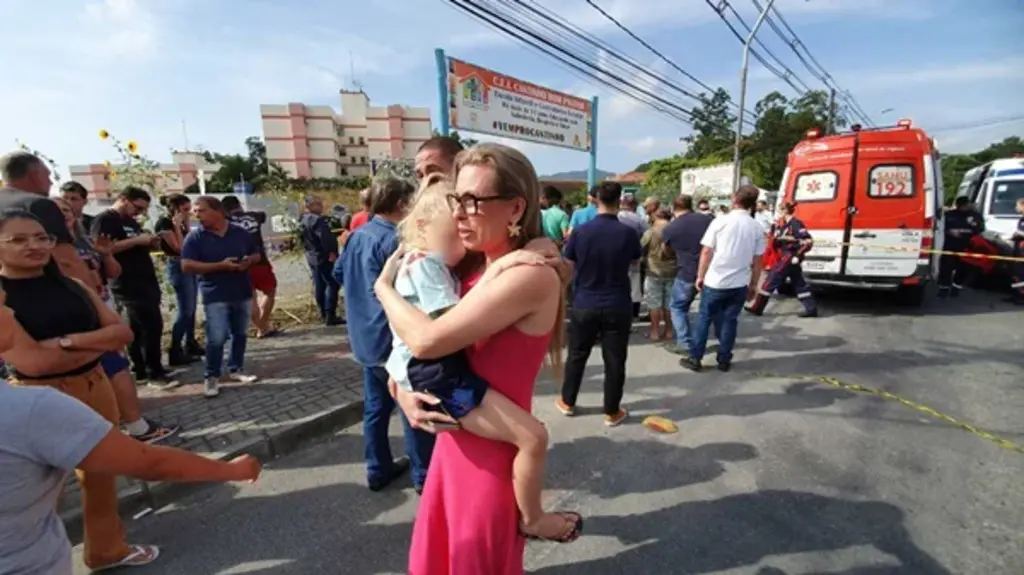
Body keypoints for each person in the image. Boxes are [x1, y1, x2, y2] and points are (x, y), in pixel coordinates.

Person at [376, 143, 570, 574]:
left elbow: (426, 341)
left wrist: (383, 290)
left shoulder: (528, 275)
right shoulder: (474, 268)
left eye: (473, 201)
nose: (459, 213)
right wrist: (403, 393)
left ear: (516, 207)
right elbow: (409, 348)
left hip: (489, 462)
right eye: (455, 199)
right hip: (455, 445)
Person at [0, 278, 262, 574]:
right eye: (1, 304)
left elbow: (119, 333)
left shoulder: (71, 284)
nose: (11, 310)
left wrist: (71, 346)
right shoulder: (29, 409)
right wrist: (232, 470)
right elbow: (149, 462)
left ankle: (106, 549)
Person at [335, 177, 436, 493]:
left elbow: (339, 274)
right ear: (402, 204)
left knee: (376, 409)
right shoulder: (397, 240)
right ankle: (424, 477)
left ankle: (377, 468)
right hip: (392, 337)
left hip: (364, 336)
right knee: (411, 410)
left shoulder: (356, 236)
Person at [54, 198, 180, 443]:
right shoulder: (50, 249)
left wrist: (105, 255)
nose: (64, 215)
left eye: (67, 210)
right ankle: (131, 428)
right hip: (78, 318)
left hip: (103, 307)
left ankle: (124, 424)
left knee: (116, 366)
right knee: (111, 367)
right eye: (57, 211)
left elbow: (112, 272)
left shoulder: (86, 242)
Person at [558, 181, 639, 427]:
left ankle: (567, 402)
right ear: (620, 200)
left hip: (585, 301)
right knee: (615, 359)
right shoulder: (628, 232)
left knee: (577, 354)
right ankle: (611, 411)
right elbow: (635, 262)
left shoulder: (581, 232)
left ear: (595, 199)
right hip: (618, 302)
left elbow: (568, 267)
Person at [90, 187, 177, 387]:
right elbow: (103, 248)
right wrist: (137, 240)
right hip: (127, 281)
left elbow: (132, 245)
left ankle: (149, 368)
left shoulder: (130, 222)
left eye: (143, 209)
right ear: (123, 199)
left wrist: (148, 243)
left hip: (145, 278)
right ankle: (150, 373)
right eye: (137, 207)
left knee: (146, 327)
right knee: (147, 326)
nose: (139, 213)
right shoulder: (105, 220)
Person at [181, 196, 260, 398]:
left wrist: (248, 261)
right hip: (215, 293)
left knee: (240, 333)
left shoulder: (239, 232)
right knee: (215, 338)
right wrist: (219, 266)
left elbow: (257, 254)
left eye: (201, 211)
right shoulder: (195, 237)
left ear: (218, 211)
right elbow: (187, 265)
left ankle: (236, 369)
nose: (197, 215)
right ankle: (211, 376)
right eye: (195, 212)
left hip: (241, 290)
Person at [680, 186, 766, 373]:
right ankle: (724, 359)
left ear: (735, 199)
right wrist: (754, 284)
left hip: (716, 280)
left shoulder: (720, 221)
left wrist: (700, 276)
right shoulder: (756, 228)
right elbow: (759, 260)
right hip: (739, 283)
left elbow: (706, 251)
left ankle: (696, 357)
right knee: (730, 321)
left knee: (704, 319)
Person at [0, 151, 93, 286]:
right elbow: (67, 263)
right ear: (34, 176)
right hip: (41, 295)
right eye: (48, 175)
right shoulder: (38, 204)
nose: (50, 182)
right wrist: (93, 302)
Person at [154, 193, 203, 366]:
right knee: (185, 309)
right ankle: (175, 349)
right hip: (176, 265)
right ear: (174, 209)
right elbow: (181, 247)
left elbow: (191, 242)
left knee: (191, 307)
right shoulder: (165, 223)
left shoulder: (182, 223)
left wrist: (186, 224)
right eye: (184, 210)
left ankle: (190, 342)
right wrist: (176, 227)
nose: (187, 213)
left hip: (188, 265)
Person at [746, 201, 818, 318]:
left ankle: (758, 307)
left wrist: (798, 255)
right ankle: (811, 308)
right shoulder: (784, 225)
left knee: (771, 280)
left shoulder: (795, 224)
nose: (778, 214)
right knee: (799, 283)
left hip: (790, 257)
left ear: (785, 211)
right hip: (786, 256)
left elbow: (808, 241)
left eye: (779, 211)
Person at [662, 195, 714, 355]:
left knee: (678, 307)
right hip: (711, 271)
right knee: (712, 309)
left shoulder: (671, 228)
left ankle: (684, 342)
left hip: (686, 272)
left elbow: (666, 251)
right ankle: (722, 341)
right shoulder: (708, 220)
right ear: (691, 205)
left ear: (673, 208)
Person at [222, 195, 280, 338]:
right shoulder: (254, 216)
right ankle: (263, 326)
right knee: (269, 292)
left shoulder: (225, 222)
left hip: (239, 263)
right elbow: (263, 215)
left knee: (250, 297)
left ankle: (262, 327)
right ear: (239, 205)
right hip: (259, 260)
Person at [300, 195, 344, 326]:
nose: (321, 206)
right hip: (323, 255)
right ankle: (330, 314)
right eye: (318, 204)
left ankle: (323, 313)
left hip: (311, 255)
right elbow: (325, 237)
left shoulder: (302, 220)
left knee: (320, 284)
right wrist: (331, 252)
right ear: (311, 206)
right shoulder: (317, 220)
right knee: (332, 283)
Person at [937, 196, 984, 298]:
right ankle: (944, 288)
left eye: (966, 205)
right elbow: (941, 228)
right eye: (963, 206)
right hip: (950, 245)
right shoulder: (949, 215)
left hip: (967, 246)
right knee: (946, 267)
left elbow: (980, 229)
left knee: (964, 267)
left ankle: (956, 287)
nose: (965, 207)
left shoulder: (975, 216)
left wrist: (972, 224)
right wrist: (949, 232)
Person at [641, 207, 676, 340]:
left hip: (653, 271)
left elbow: (641, 248)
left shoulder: (650, 232)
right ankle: (669, 331)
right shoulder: (675, 231)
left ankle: (654, 332)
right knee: (669, 303)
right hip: (673, 271)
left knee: (654, 303)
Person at [617, 193, 647, 317]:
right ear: (633, 205)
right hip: (634, 256)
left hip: (617, 257)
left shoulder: (616, 217)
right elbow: (644, 236)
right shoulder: (639, 219)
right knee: (635, 286)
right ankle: (634, 313)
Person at [1008, 198, 1024, 305]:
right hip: (1018, 249)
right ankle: (1016, 295)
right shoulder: (1022, 219)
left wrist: (1019, 235)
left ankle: (1021, 296)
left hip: (1023, 250)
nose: (1016, 208)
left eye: (1017, 205)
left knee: (1021, 274)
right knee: (1016, 273)